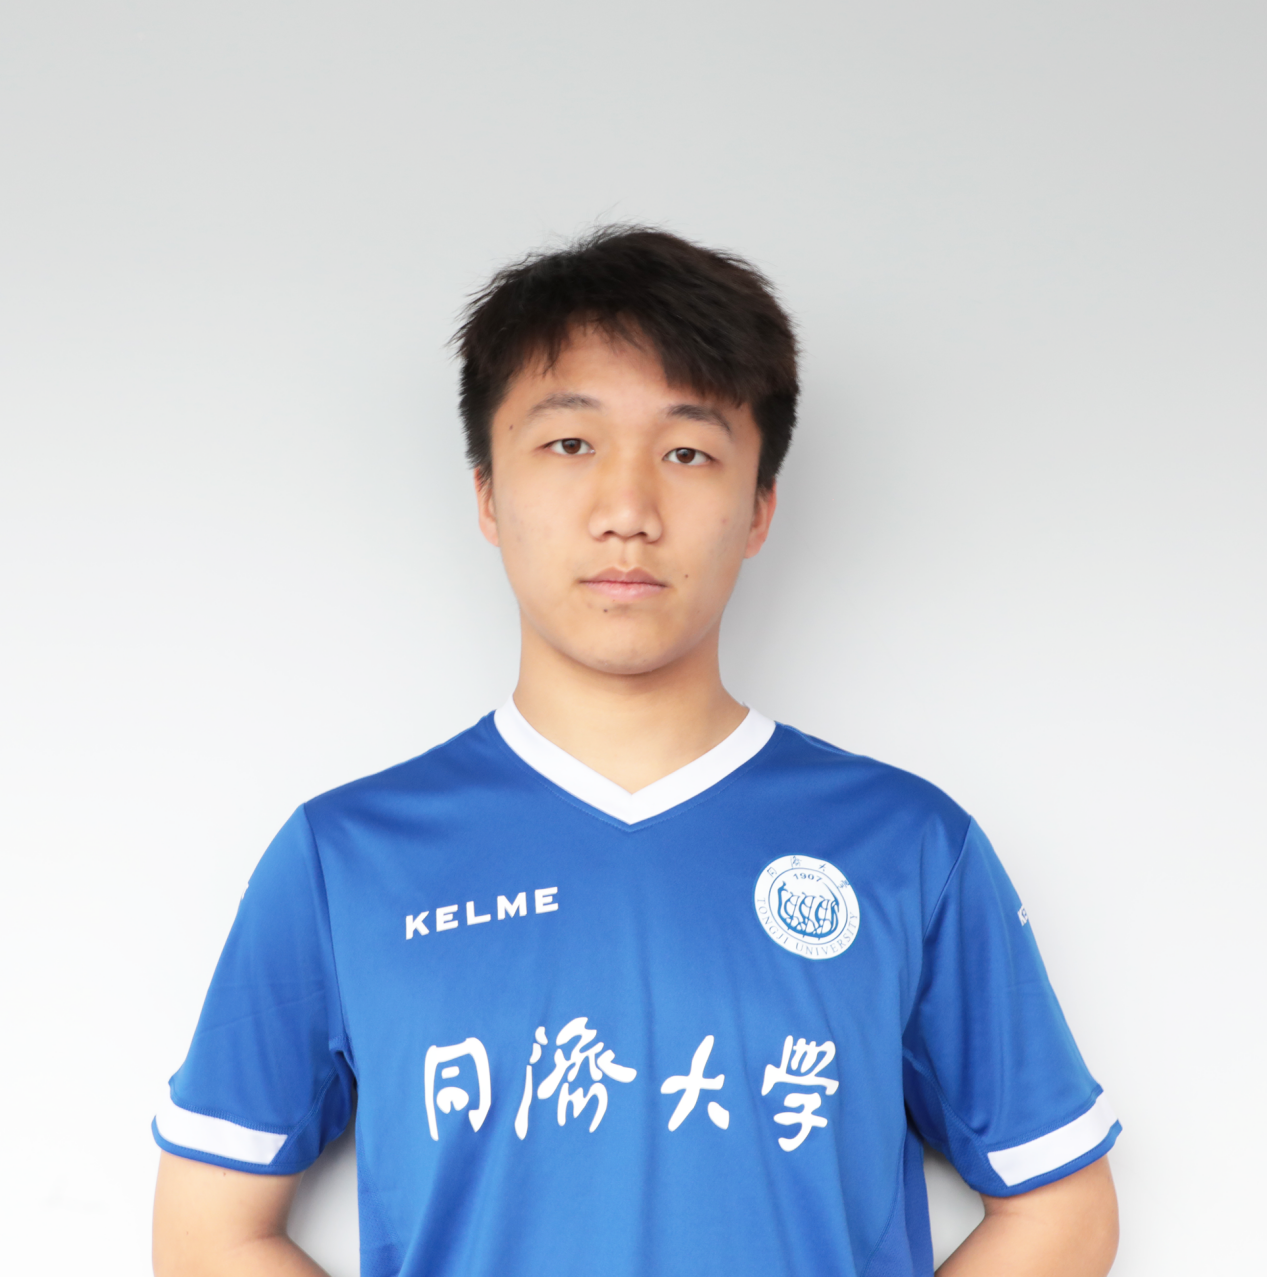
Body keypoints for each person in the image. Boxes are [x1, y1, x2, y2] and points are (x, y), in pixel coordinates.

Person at [151, 226, 1120, 1277]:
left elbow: (1062, 1207)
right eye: (570, 444)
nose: (627, 511)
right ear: (487, 493)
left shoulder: (905, 843)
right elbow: (207, 1231)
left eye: (687, 452)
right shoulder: (347, 857)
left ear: (758, 507)